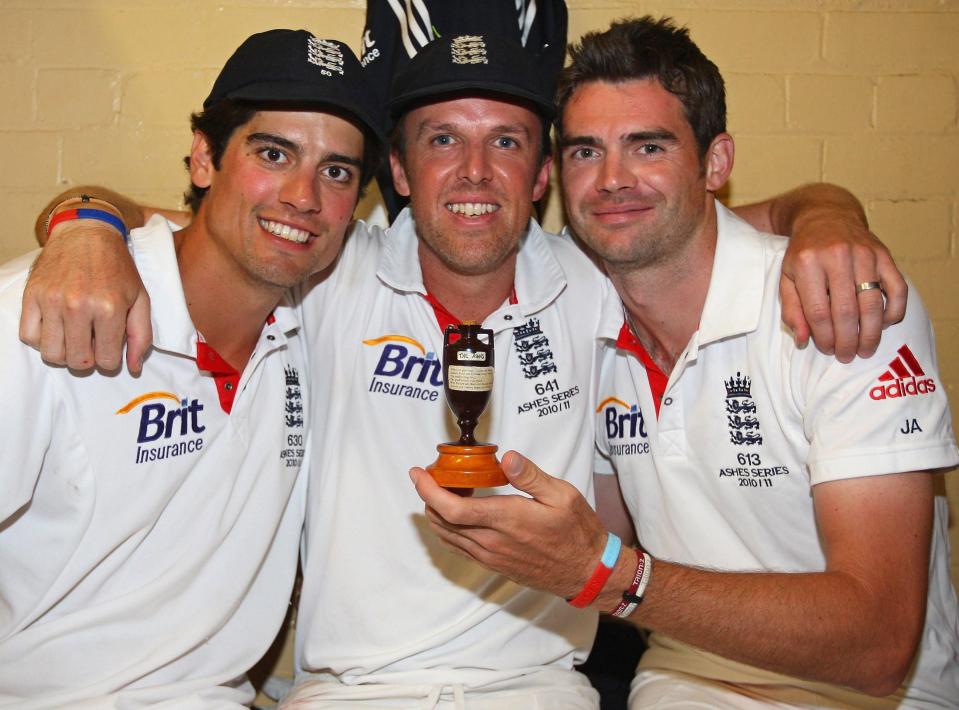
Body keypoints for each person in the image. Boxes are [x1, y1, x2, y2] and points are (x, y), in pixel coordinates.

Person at [19, 30, 909, 710]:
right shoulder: (324, 267)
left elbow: (712, 225)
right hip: (350, 694)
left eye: (510, 142)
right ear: (398, 172)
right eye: (442, 140)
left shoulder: (593, 276)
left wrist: (830, 214)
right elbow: (196, 235)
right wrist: (83, 226)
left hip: (540, 689)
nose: (475, 173)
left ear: (540, 180)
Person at [411, 16, 959, 708]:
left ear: (715, 163)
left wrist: (609, 574)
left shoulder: (840, 299)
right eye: (585, 152)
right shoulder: (584, 308)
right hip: (682, 681)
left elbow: (878, 644)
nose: (612, 180)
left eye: (647, 146)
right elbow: (598, 534)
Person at [0, 29, 382, 708]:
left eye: (337, 171)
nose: (303, 195)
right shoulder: (52, 307)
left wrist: (86, 214)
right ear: (205, 158)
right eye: (273, 153)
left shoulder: (318, 319)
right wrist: (84, 225)